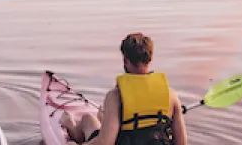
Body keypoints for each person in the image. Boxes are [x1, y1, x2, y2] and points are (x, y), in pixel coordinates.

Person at [60, 33, 188, 145]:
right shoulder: (171, 96)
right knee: (97, 119)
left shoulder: (115, 97)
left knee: (88, 119)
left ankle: (71, 125)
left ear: (125, 59)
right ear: (150, 58)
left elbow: (105, 143)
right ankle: (101, 120)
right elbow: (182, 143)